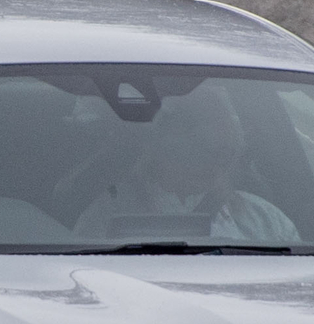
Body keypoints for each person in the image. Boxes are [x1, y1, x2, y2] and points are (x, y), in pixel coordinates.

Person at [71, 84, 299, 245]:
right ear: (160, 149)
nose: (215, 164)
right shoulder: (111, 215)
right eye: (201, 150)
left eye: (225, 153)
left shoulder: (264, 219)